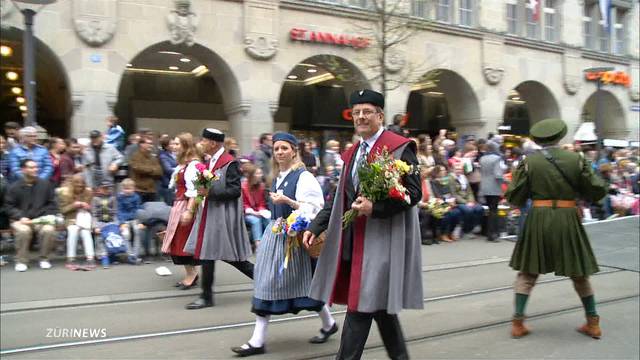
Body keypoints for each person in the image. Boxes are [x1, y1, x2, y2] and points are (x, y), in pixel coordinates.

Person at [303, 89, 423, 360]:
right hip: (355, 241)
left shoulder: (401, 147)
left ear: (380, 115)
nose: (360, 117)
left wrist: (375, 208)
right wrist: (315, 226)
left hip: (382, 241)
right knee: (380, 308)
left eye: (367, 112)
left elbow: (415, 193)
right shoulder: (352, 153)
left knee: (359, 305)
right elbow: (337, 198)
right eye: (356, 113)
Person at [232, 132, 338, 356]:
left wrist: (288, 202)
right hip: (276, 235)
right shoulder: (279, 176)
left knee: (281, 283)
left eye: (284, 148)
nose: (280, 152)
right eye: (277, 148)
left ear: (294, 151)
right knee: (271, 282)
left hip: (293, 239)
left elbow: (315, 209)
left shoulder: (303, 176)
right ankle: (328, 324)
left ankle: (258, 341)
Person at [505, 118, 607, 340]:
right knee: (579, 273)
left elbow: (514, 195)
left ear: (538, 140)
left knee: (528, 272)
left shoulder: (529, 162)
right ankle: (593, 323)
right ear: (560, 137)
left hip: (538, 218)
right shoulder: (576, 159)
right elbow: (597, 190)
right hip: (567, 217)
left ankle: (518, 323)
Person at [184, 128, 254, 309]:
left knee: (231, 258)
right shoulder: (210, 162)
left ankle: (267, 282)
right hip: (210, 215)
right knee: (209, 254)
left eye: (204, 140)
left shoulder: (229, 163)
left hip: (223, 217)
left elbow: (235, 191)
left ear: (213, 143)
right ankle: (206, 296)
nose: (201, 143)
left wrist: (210, 191)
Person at [161, 133, 201, 290]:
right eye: (173, 144)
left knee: (185, 242)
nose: (174, 146)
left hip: (186, 206)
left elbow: (197, 191)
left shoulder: (194, 165)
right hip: (179, 205)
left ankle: (192, 275)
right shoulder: (183, 165)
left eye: (177, 144)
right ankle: (191, 274)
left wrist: (189, 211)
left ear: (186, 145)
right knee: (178, 242)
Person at [5, 159, 58, 271]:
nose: (35, 169)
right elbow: (9, 206)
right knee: (23, 231)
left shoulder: (45, 184)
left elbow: (52, 203)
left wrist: (43, 218)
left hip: (40, 219)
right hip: (20, 220)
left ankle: (44, 259)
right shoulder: (14, 187)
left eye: (36, 167)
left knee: (48, 229)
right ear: (23, 169)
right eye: (31, 167)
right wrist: (20, 216)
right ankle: (21, 261)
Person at [58, 173, 96, 270]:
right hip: (71, 218)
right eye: (77, 185)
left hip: (84, 218)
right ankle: (71, 259)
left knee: (86, 233)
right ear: (72, 184)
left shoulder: (88, 192)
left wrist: (88, 207)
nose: (80, 186)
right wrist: (73, 205)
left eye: (81, 185)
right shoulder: (65, 192)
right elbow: (63, 210)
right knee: (73, 231)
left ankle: (90, 259)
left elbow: (93, 209)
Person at [479, 140, 505, 242]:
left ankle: (488, 232)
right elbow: (498, 174)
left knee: (489, 210)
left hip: (484, 185)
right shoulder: (497, 158)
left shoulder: (482, 158)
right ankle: (493, 234)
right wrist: (504, 181)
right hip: (494, 186)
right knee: (494, 211)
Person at [241, 164, 270, 248]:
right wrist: (254, 212)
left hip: (258, 211)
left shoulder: (261, 186)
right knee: (256, 220)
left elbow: (261, 203)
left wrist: (261, 210)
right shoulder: (243, 186)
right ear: (251, 175)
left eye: (260, 173)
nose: (260, 175)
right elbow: (243, 204)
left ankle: (269, 241)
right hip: (247, 213)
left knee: (267, 219)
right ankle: (258, 243)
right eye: (257, 173)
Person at [129, 137, 162, 203]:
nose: (151, 146)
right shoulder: (135, 156)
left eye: (152, 144)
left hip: (151, 191)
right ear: (141, 144)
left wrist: (148, 170)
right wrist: (152, 170)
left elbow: (159, 171)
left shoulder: (153, 158)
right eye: (149, 143)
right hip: (139, 191)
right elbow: (138, 168)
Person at [158, 136, 178, 205]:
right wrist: (180, 170)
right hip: (168, 184)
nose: (174, 146)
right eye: (171, 144)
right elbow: (168, 169)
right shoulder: (163, 156)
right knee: (170, 205)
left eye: (174, 144)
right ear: (166, 146)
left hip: (176, 183)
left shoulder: (175, 154)